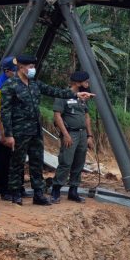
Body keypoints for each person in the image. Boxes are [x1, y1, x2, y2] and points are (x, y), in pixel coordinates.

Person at [0, 56, 95, 206]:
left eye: (33, 66)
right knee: (17, 163)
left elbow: (55, 91)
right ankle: (16, 193)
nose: (32, 69)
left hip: (36, 131)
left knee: (36, 162)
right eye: (30, 66)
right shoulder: (10, 85)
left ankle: (38, 194)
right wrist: (8, 134)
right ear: (21, 67)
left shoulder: (35, 84)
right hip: (19, 131)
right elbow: (5, 111)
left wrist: (76, 94)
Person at [51, 71, 94, 204]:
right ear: (77, 83)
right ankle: (56, 190)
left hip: (82, 135)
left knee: (79, 163)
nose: (87, 85)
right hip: (71, 133)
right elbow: (57, 116)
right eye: (85, 82)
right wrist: (66, 135)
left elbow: (86, 117)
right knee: (66, 162)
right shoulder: (63, 96)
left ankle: (73, 191)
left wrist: (89, 135)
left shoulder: (82, 97)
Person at [0, 56, 20, 201]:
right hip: (1, 130)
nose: (15, 72)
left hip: (13, 128)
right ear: (7, 71)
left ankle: (13, 187)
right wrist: (2, 134)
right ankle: (2, 189)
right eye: (13, 71)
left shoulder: (13, 83)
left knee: (12, 160)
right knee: (2, 161)